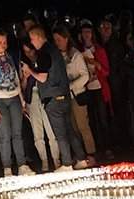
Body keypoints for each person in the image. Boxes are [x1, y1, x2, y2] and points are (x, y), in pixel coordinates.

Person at [23, 24, 85, 171]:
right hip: (64, 95)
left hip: (52, 98)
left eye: (32, 39)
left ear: (38, 37)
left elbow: (43, 78)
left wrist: (29, 71)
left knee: (60, 132)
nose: (32, 43)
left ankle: (67, 163)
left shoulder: (44, 53)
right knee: (69, 129)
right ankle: (81, 159)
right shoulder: (54, 50)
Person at [0, 27, 32, 176]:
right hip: (0, 100)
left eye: (5, 41)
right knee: (5, 135)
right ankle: (7, 168)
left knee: (17, 133)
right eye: (0, 42)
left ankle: (22, 165)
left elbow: (15, 78)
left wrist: (22, 102)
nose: (3, 44)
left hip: (14, 98)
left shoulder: (8, 55)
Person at [60, 25, 101, 162]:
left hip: (77, 95)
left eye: (59, 39)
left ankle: (91, 153)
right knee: (73, 127)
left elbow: (85, 76)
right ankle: (81, 154)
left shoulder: (75, 54)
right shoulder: (58, 55)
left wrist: (71, 85)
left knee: (83, 125)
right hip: (66, 96)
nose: (57, 42)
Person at [72, 23, 111, 159]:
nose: (86, 35)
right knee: (91, 120)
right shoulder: (78, 52)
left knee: (102, 118)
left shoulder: (99, 50)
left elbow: (106, 72)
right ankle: (96, 147)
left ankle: (107, 146)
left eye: (89, 32)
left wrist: (96, 64)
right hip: (86, 89)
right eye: (84, 32)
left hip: (99, 88)